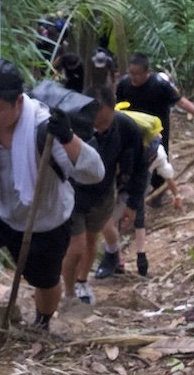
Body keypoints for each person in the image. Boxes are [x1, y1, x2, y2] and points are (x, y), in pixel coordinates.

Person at [0, 59, 104, 329]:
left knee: (45, 280)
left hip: (44, 219)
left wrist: (67, 137)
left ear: (18, 102)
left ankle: (42, 324)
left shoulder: (44, 129)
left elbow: (94, 173)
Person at [61, 89, 145, 305]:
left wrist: (133, 203)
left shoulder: (125, 127)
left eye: (105, 121)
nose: (100, 127)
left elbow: (140, 165)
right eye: (96, 121)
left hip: (103, 194)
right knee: (76, 246)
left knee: (91, 240)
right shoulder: (71, 124)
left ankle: (81, 282)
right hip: (73, 193)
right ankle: (68, 292)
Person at [93, 104, 183, 279]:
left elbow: (168, 176)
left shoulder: (157, 153)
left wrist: (177, 194)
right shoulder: (130, 142)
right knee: (110, 220)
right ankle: (115, 259)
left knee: (136, 215)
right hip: (120, 181)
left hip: (137, 185)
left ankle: (139, 256)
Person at [115, 53, 194, 205]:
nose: (133, 77)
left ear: (147, 72)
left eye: (137, 74)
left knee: (160, 157)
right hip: (133, 129)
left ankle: (158, 191)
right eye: (131, 73)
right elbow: (117, 107)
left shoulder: (160, 85)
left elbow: (181, 102)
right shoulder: (124, 84)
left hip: (158, 130)